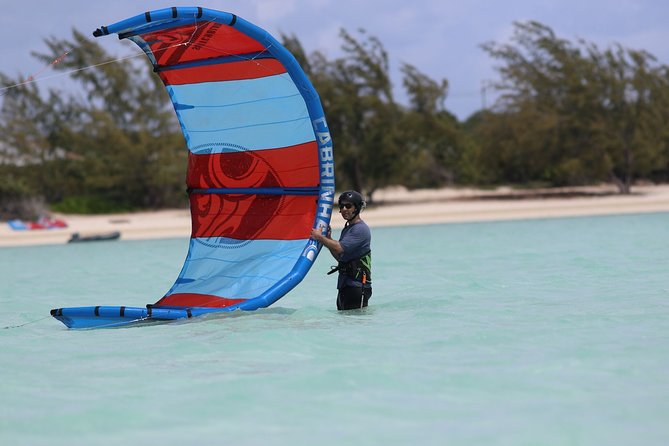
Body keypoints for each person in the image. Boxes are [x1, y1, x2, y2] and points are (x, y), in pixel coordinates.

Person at [311, 190, 372, 310]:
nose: (344, 209)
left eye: (348, 206)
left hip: (358, 287)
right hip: (345, 285)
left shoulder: (360, 229)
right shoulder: (348, 229)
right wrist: (328, 238)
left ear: (357, 208)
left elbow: (339, 247)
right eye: (341, 206)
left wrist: (320, 237)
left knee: (355, 325)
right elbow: (341, 257)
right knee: (344, 323)